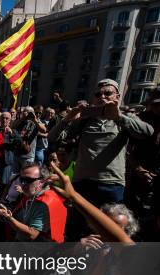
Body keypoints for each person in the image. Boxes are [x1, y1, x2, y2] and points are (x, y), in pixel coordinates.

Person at [48, 78, 154, 206]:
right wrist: (70, 116)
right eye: (98, 94)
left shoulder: (125, 118)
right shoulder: (85, 120)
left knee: (107, 222)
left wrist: (118, 117)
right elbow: (53, 137)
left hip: (111, 183)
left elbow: (147, 132)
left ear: (117, 96)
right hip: (83, 182)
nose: (102, 97)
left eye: (108, 93)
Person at [0, 163, 67, 243]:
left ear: (42, 181)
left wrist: (8, 218)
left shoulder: (47, 202)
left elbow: (32, 234)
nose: (23, 184)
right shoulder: (31, 195)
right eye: (22, 180)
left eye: (28, 180)